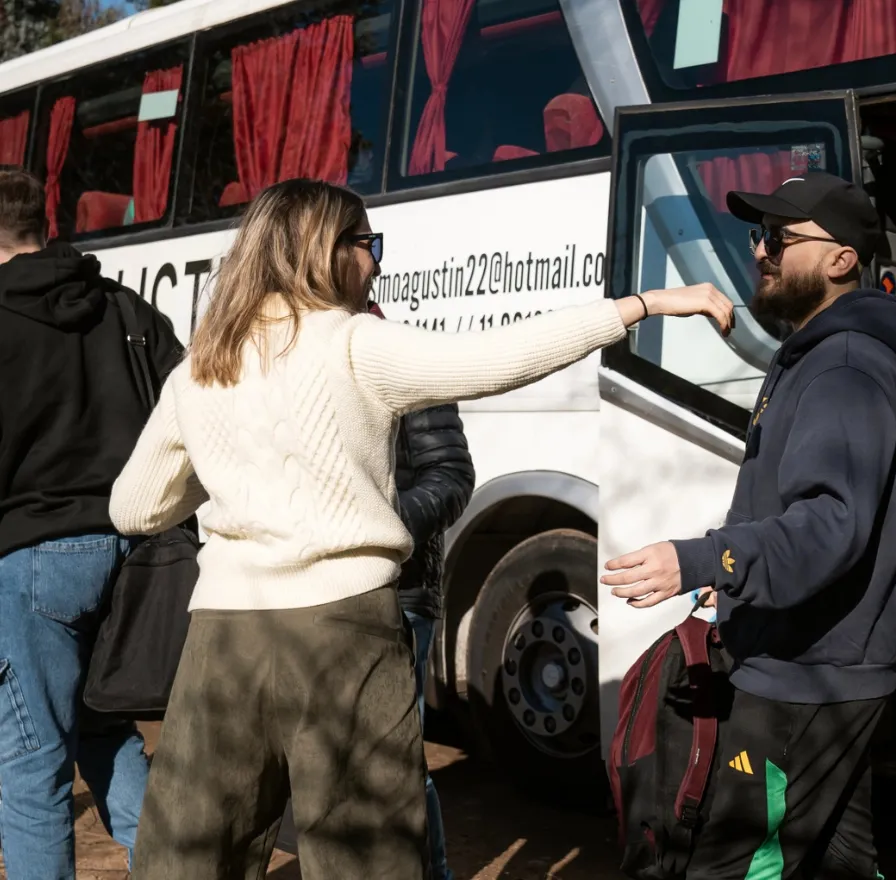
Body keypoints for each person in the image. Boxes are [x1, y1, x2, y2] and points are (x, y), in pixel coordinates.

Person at [107, 177, 734, 880]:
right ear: (326, 251)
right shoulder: (353, 344)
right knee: (365, 859)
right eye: (367, 244)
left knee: (191, 855)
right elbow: (502, 357)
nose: (376, 262)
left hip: (221, 637)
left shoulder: (202, 367)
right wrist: (644, 303)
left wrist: (229, 473)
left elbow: (136, 509)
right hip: (343, 633)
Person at [602, 171, 896, 879]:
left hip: (807, 675)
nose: (761, 252)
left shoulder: (843, 366)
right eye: (761, 236)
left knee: (738, 861)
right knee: (840, 859)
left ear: (842, 259)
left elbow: (830, 524)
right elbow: (787, 504)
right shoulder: (814, 353)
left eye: (781, 239)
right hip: (819, 665)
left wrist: (705, 561)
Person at [0, 167, 180, 879]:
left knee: (32, 769)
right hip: (132, 555)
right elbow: (188, 407)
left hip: (30, 562)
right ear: (44, 224)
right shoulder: (126, 308)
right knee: (107, 733)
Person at [368, 298, 474, 880]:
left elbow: (452, 477)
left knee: (398, 756)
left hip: (401, 592)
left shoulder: (406, 358)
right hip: (327, 592)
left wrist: (376, 527)